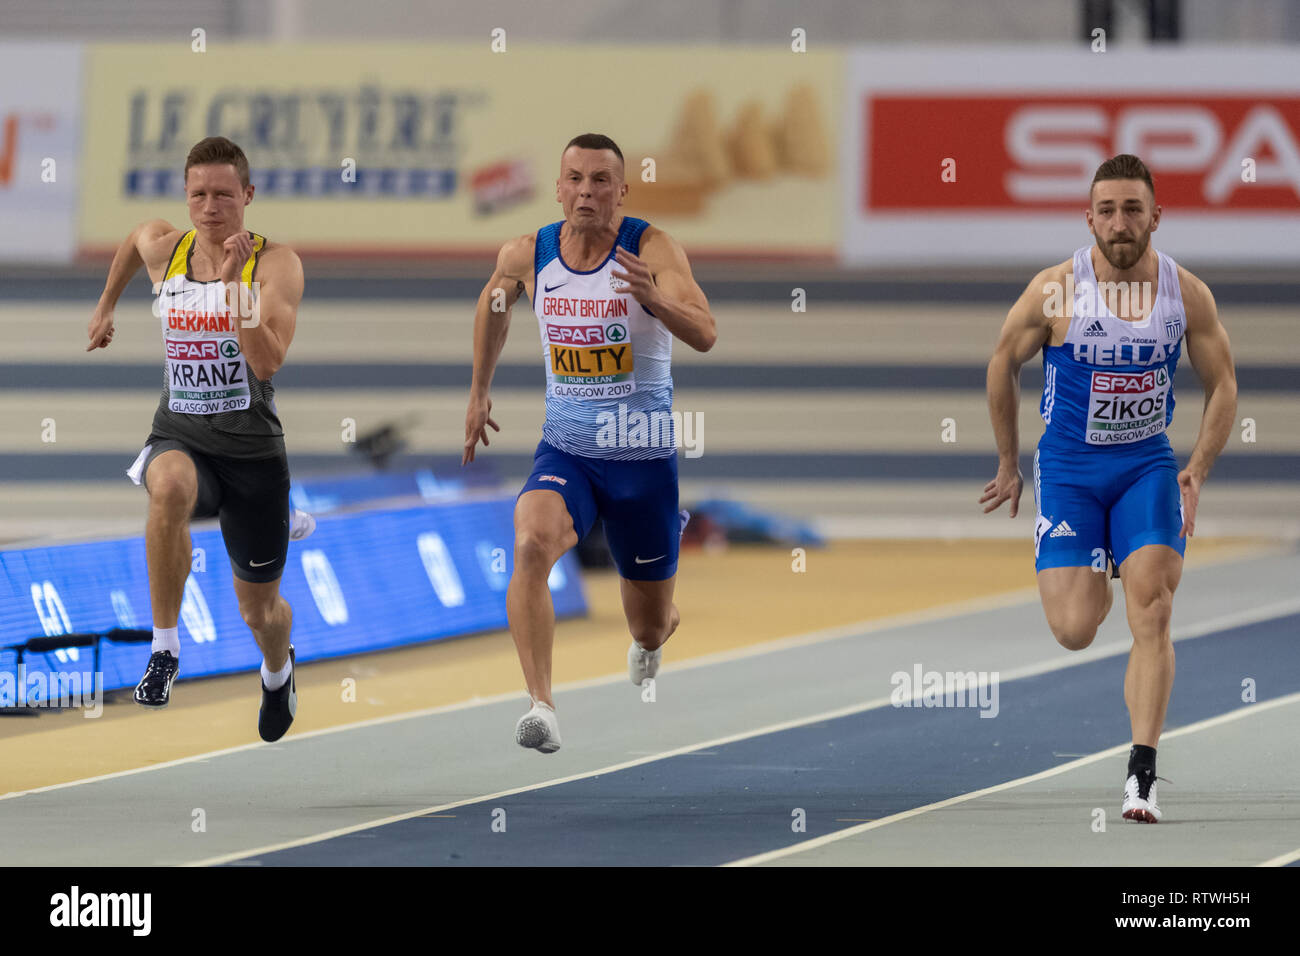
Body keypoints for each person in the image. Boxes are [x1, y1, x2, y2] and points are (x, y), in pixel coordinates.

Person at [982, 153, 1237, 822]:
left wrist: (1197, 468)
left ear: (1156, 215)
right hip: (1069, 471)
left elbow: (1225, 385)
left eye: (1131, 209)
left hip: (1148, 467)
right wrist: (1010, 462)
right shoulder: (1058, 289)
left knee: (1151, 609)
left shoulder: (1188, 295)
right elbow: (1002, 360)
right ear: (1088, 218)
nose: (1119, 223)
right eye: (1106, 210)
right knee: (1073, 629)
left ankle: (1141, 775)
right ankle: (1104, 559)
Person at [463, 133, 717, 753]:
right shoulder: (528, 254)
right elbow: (494, 302)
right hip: (568, 452)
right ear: (558, 189)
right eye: (575, 178)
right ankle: (541, 706)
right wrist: (479, 390)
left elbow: (707, 332)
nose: (586, 191)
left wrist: (655, 300)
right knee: (529, 541)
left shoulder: (652, 248)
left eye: (601, 180)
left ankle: (657, 631)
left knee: (650, 625)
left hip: (642, 454)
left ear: (621, 191)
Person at [86, 136, 310, 742]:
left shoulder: (276, 265)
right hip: (181, 431)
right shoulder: (167, 248)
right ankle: (164, 649)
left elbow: (267, 363)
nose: (210, 208)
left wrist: (236, 289)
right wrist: (107, 305)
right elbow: (135, 240)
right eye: (199, 195)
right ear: (186, 198)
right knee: (169, 486)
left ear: (248, 196)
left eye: (223, 195)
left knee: (259, 612)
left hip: (254, 455)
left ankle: (277, 670)